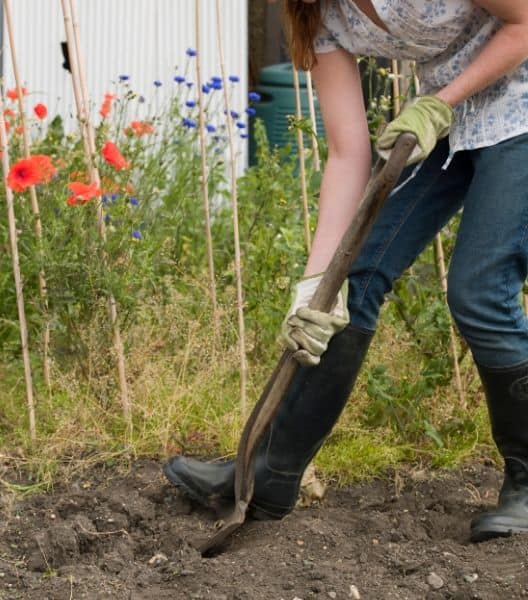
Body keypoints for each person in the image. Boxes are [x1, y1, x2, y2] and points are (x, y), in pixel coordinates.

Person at [164, 0, 528, 542]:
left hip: (518, 115)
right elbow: (345, 152)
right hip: (453, 124)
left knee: (478, 291)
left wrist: (438, 102)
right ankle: (270, 475)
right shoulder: (317, 15)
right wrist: (315, 289)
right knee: (348, 288)